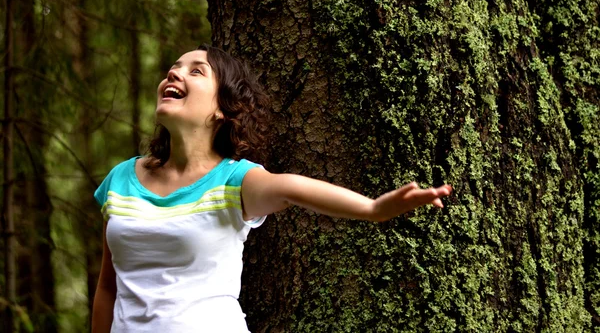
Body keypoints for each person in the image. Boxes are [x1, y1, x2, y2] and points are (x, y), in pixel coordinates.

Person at [91, 45, 452, 333]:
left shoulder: (233, 181)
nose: (174, 72)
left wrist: (374, 209)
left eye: (195, 70)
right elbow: (109, 286)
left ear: (222, 109)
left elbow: (292, 188)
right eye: (175, 67)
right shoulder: (121, 180)